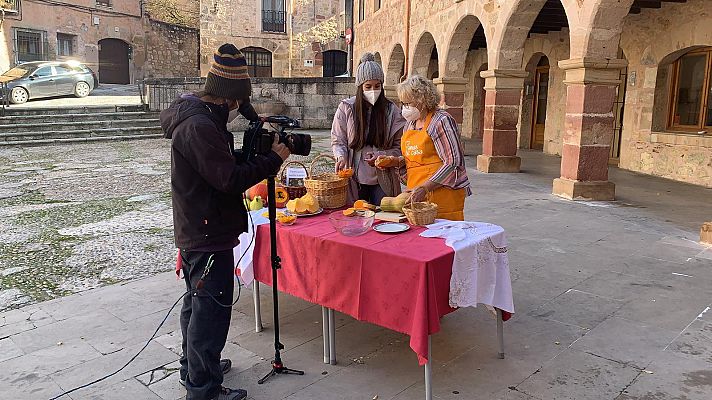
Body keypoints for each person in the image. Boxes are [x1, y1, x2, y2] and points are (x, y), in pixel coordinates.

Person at [160, 44, 290, 400]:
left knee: (197, 304)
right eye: (239, 99)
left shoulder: (199, 118)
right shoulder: (200, 126)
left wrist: (253, 136)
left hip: (200, 226)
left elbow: (216, 166)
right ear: (228, 97)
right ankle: (204, 390)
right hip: (207, 232)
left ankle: (198, 366)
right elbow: (229, 180)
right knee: (210, 312)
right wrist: (272, 161)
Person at [376, 75, 471, 220]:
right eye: (403, 103)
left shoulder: (441, 121)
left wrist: (425, 188)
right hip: (416, 194)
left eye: (408, 103)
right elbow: (418, 159)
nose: (405, 108)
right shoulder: (410, 124)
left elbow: (452, 162)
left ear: (422, 100)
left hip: (444, 195)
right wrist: (395, 161)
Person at [331, 52, 406, 204]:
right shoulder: (347, 108)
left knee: (384, 218)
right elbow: (338, 140)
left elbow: (400, 147)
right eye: (368, 86)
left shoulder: (392, 111)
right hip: (354, 177)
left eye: (377, 86)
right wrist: (341, 157)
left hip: (383, 179)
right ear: (360, 87)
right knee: (356, 218)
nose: (373, 91)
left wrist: (382, 155)